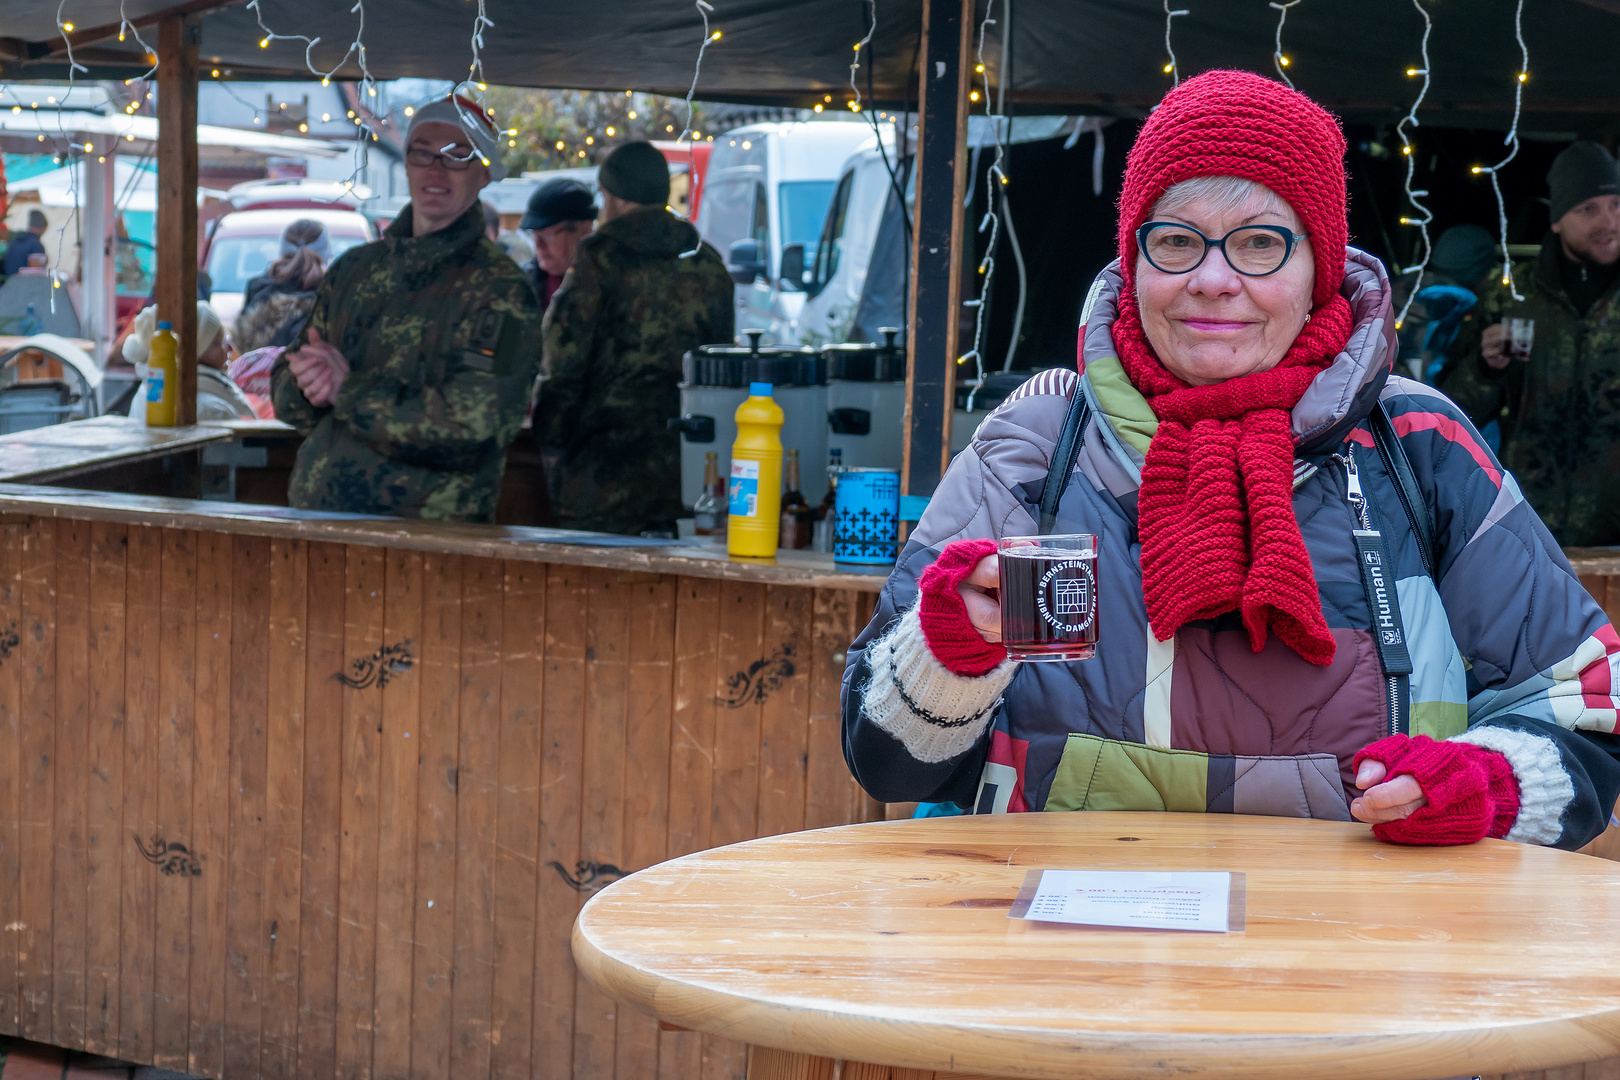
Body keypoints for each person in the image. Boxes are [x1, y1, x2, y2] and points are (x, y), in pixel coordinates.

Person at [842, 70, 1620, 851]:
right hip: (1064, 946)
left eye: (1260, 243)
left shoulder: (1418, 444)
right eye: (1176, 241)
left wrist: (1482, 783)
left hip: (1366, 951)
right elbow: (892, 767)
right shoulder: (1038, 441)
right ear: (1134, 259)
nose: (1213, 280)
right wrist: (950, 655)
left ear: (1317, 267)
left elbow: (1587, 718)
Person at [270, 96, 542, 522]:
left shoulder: (500, 292)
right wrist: (308, 384)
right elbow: (288, 390)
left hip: (427, 545)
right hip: (320, 527)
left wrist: (348, 391)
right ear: (407, 163)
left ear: (484, 172)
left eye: (457, 156)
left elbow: (476, 428)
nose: (435, 170)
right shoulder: (353, 272)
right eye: (422, 153)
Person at [535, 141, 734, 535]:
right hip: (690, 468)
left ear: (612, 196)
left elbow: (564, 362)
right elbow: (721, 369)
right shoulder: (706, 260)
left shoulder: (599, 257)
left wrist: (550, 441)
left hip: (602, 469)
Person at [1439, 141, 1620, 545]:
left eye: (1616, 205)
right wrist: (1485, 369)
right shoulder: (1514, 296)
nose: (1608, 221)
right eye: (1588, 209)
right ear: (1557, 220)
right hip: (1528, 523)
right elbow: (1454, 411)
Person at [122, 301, 255, 421]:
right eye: (218, 343)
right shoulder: (213, 410)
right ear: (193, 354)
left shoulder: (148, 391)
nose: (230, 348)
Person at [234, 218, 329, 353]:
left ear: (283, 251)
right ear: (326, 254)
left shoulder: (257, 288)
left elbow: (239, 350)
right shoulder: (331, 294)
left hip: (254, 373)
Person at [519, 178, 595, 311]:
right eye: (534, 234)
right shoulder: (520, 284)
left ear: (584, 230)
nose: (538, 245)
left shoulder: (611, 284)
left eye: (547, 235)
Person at [3, 210, 48, 276]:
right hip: (25, 283)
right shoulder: (35, 245)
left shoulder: (15, 241)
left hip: (8, 283)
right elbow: (36, 272)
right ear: (42, 228)